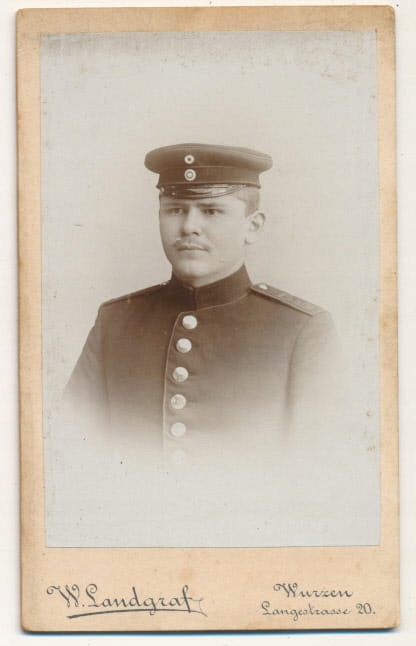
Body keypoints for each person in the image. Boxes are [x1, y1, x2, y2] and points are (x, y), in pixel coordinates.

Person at [60, 143, 361, 547]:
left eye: (212, 211)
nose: (189, 227)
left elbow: (321, 484)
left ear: (253, 226)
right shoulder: (115, 321)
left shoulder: (301, 330)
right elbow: (70, 459)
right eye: (175, 210)